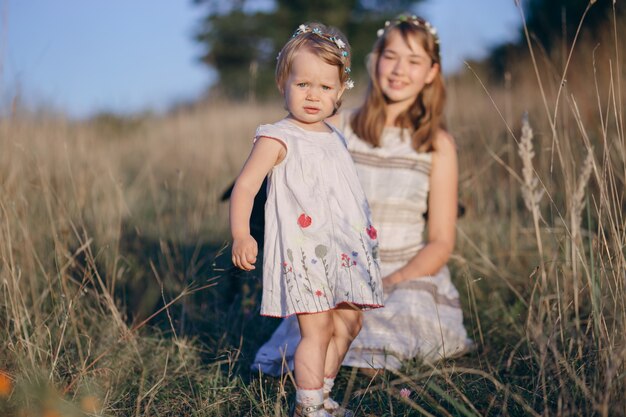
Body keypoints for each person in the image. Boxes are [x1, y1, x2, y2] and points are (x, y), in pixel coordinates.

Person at [253, 14, 472, 378]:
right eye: (391, 56)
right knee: (321, 325)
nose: (400, 70)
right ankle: (317, 386)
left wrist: (387, 282)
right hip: (338, 265)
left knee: (388, 319)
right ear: (375, 61)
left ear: (431, 72)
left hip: (403, 272)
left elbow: (440, 242)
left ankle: (363, 368)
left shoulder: (437, 145)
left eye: (414, 61)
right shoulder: (337, 127)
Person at [230, 22, 383, 417]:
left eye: (325, 87)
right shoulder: (278, 137)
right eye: (303, 85)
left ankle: (322, 394)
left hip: (344, 250)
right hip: (305, 253)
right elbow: (245, 186)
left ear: (339, 92)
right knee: (316, 330)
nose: (314, 95)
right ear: (284, 82)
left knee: (349, 324)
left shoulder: (335, 137)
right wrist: (241, 234)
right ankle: (309, 405)